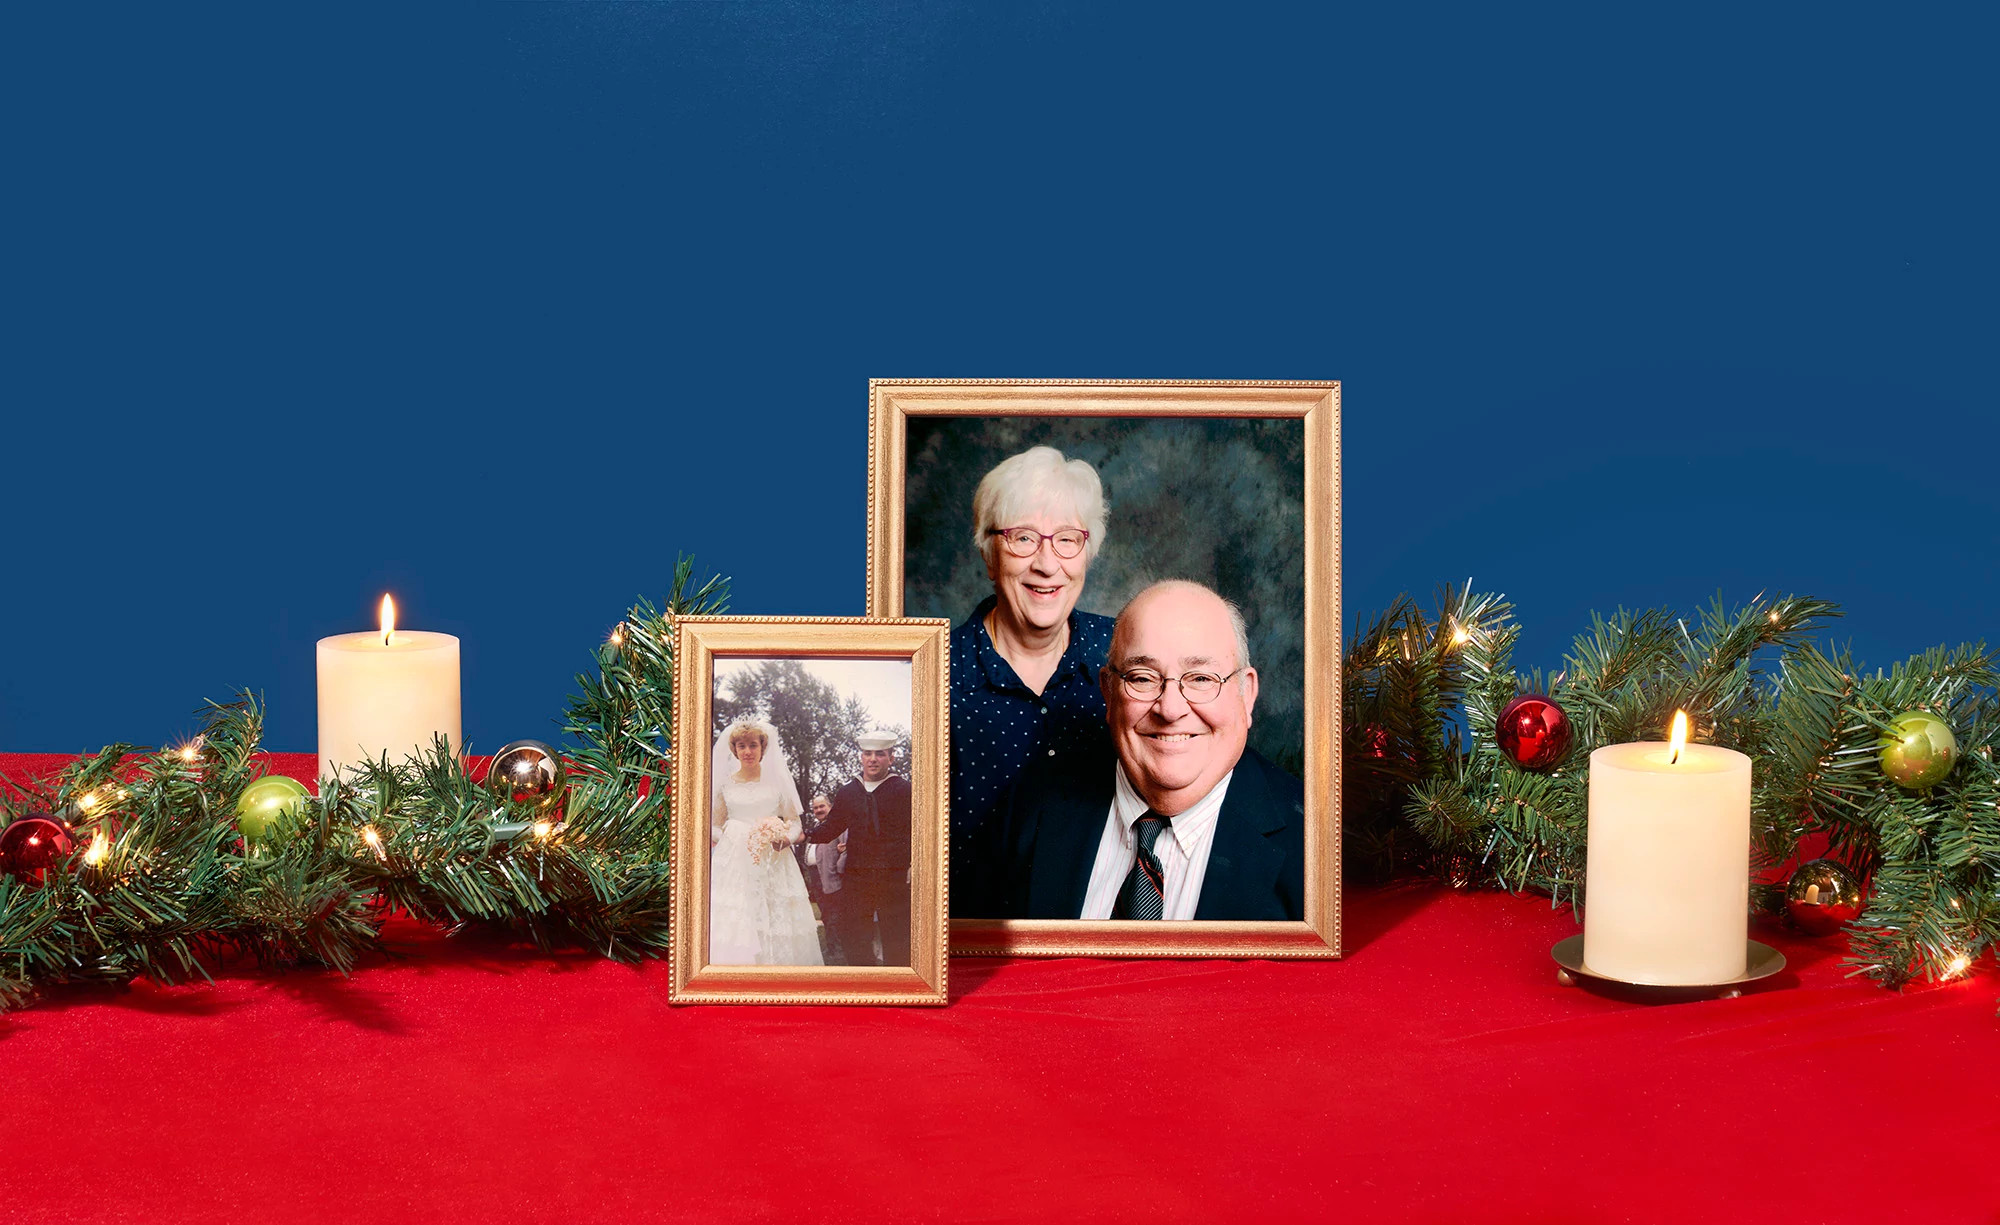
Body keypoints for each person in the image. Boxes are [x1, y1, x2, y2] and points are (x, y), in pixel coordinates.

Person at [975, 580, 1306, 921]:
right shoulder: (1031, 808)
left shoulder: (1313, 844)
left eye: (1201, 679)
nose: (1171, 708)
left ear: (1246, 694)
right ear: (1108, 692)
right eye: (1142, 678)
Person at [949, 445, 1116, 913]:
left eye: (1067, 539)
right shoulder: (937, 676)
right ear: (989, 554)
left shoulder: (1127, 655)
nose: (1047, 564)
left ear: (1086, 553)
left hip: (1101, 940)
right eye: (1023, 538)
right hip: (973, 942)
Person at [708, 720, 825, 965]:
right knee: (738, 912)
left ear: (762, 748)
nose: (748, 751)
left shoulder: (778, 782)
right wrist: (733, 837)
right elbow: (715, 826)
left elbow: (795, 823)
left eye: (753, 745)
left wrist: (785, 837)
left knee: (774, 912)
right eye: (742, 746)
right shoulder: (724, 784)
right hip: (735, 862)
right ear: (734, 749)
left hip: (773, 858)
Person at [806, 731, 913, 965]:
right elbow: (832, 827)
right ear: (861, 757)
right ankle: (866, 984)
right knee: (853, 935)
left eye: (880, 754)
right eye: (868, 754)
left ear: (891, 758)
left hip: (893, 875)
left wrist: (914, 864)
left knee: (898, 937)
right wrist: (802, 834)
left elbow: (918, 831)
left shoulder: (905, 790)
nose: (873, 759)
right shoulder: (848, 792)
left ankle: (899, 988)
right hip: (857, 875)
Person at [804, 794, 849, 962]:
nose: (818, 810)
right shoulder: (817, 827)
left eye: (822, 806)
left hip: (832, 877)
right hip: (817, 876)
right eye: (815, 808)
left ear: (830, 807)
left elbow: (846, 849)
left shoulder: (838, 826)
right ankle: (831, 947)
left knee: (835, 915)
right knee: (825, 914)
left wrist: (838, 871)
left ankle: (838, 951)